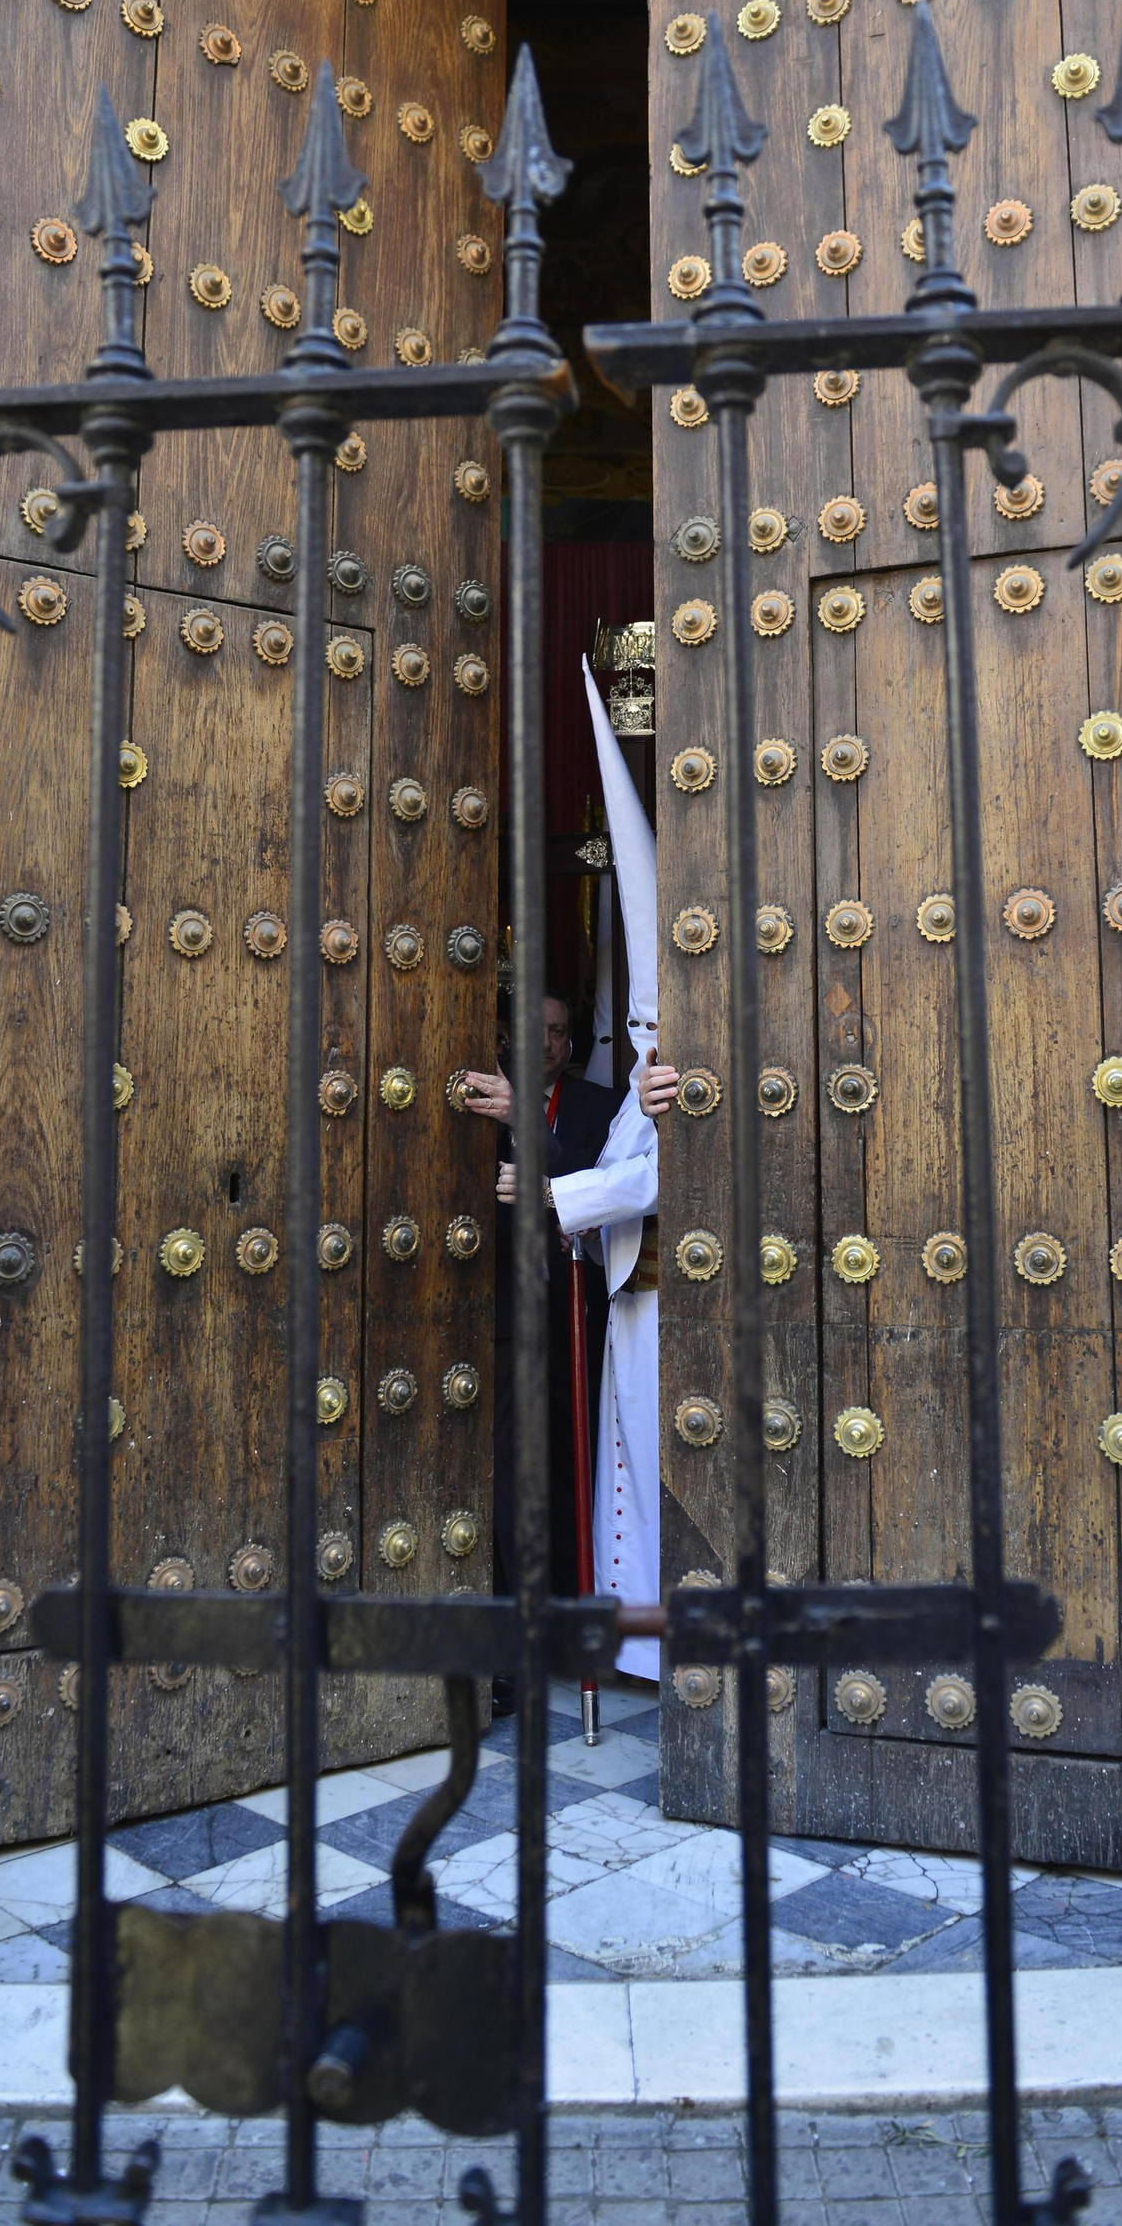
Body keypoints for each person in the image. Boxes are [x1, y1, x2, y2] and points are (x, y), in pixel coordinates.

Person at [496, 660, 665, 1679]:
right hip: (605, 1298)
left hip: (642, 1302)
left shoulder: (657, 1077)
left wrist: (550, 1196)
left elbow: (635, 1174)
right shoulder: (639, 1079)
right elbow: (619, 1163)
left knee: (640, 1470)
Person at [467, 992, 618, 1601]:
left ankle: (566, 1599)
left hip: (575, 1311)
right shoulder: (477, 1101)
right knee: (503, 1464)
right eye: (535, 1030)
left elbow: (591, 1192)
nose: (548, 1042)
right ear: (505, 1037)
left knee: (571, 1456)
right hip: (498, 1309)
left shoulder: (605, 1109)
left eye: (559, 1030)